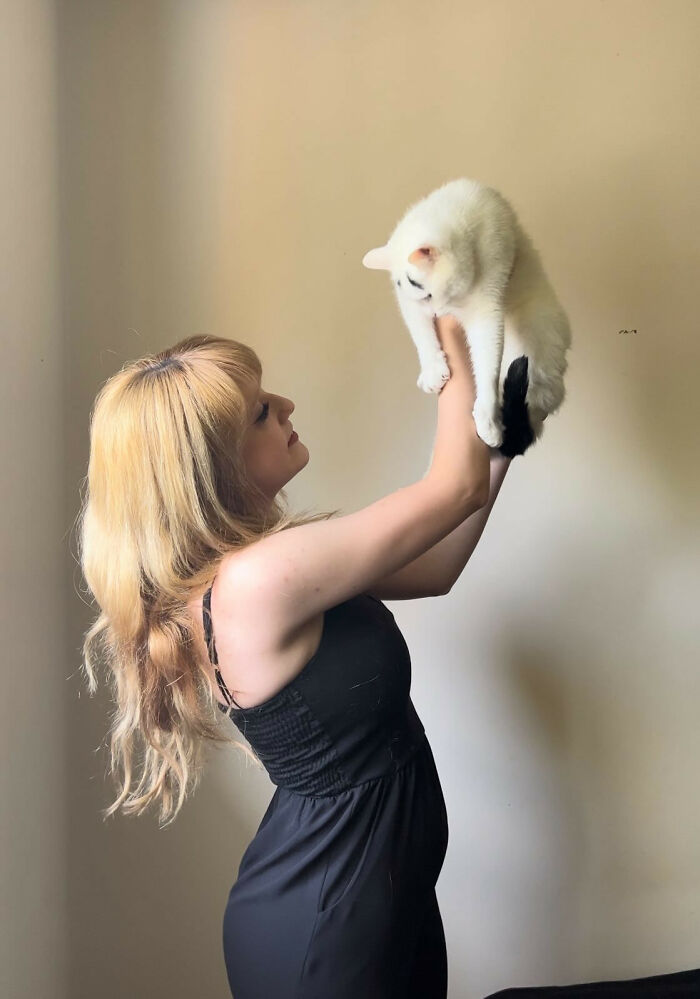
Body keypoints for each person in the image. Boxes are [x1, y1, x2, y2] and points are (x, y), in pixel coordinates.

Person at [78, 317, 513, 998]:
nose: (286, 408)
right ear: (216, 461)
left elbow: (435, 566)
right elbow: (451, 489)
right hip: (329, 924)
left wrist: (504, 435)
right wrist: (451, 333)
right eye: (260, 411)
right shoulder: (259, 581)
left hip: (377, 896)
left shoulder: (260, 571)